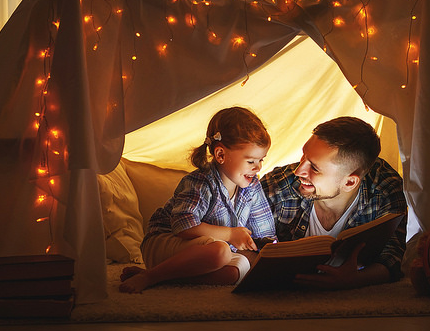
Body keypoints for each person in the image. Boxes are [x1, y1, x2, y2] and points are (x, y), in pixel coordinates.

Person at [119, 106, 276, 293]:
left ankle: (166, 277)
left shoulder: (252, 187)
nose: (257, 167)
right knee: (220, 251)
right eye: (251, 161)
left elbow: (265, 234)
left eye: (261, 160)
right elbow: (183, 227)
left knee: (242, 266)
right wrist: (231, 235)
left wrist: (265, 248)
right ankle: (150, 276)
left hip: (207, 255)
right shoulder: (201, 182)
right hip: (166, 244)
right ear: (220, 155)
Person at [260, 116, 407, 290]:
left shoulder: (384, 190)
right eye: (303, 156)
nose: (299, 171)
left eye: (314, 168)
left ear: (349, 182)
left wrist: (356, 279)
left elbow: (392, 257)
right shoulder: (278, 186)